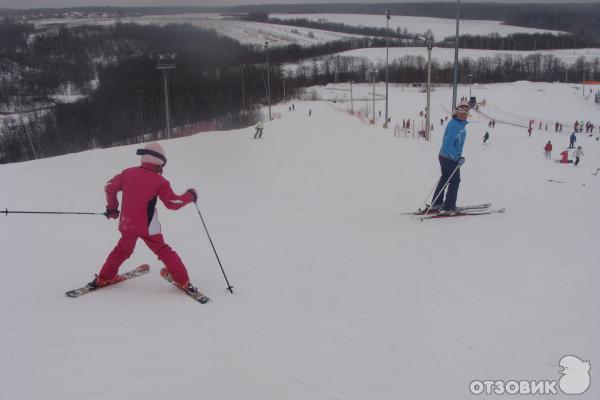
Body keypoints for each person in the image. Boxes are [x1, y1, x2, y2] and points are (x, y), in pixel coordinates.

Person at [93, 143, 200, 294]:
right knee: (163, 250)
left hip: (127, 223)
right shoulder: (160, 181)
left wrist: (112, 208)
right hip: (148, 227)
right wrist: (190, 196)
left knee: (122, 250)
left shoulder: (127, 173)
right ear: (160, 163)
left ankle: (105, 277)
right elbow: (172, 203)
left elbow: (109, 186)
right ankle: (182, 280)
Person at [430, 102, 470, 214]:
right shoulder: (455, 125)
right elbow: (447, 144)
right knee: (455, 180)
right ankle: (449, 206)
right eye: (461, 113)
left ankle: (437, 203)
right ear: (456, 112)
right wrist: (456, 158)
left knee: (445, 178)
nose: (463, 115)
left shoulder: (458, 124)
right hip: (449, 158)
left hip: (445, 156)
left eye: (465, 113)